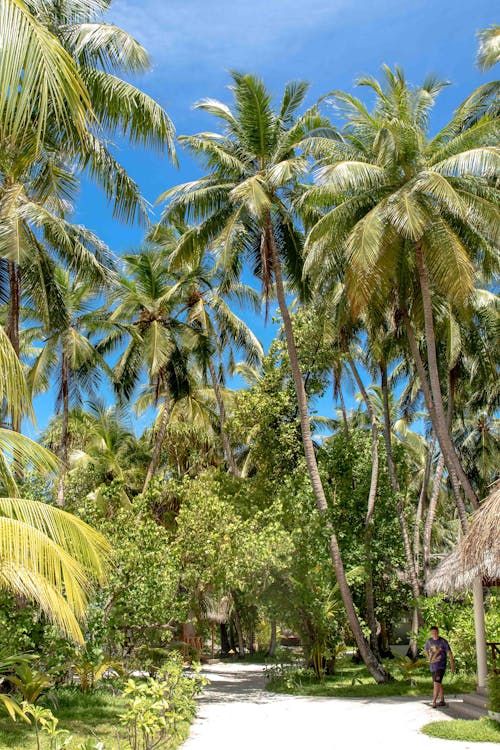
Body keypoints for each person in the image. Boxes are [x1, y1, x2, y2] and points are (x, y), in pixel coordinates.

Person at [425, 626, 455, 707]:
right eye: (432, 633)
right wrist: (429, 658)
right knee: (439, 683)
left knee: (436, 683)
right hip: (433, 666)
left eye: (435, 632)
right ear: (430, 633)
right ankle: (442, 700)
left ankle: (434, 701)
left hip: (441, 666)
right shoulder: (429, 641)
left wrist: (452, 665)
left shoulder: (443, 641)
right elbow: (426, 649)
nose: (434, 634)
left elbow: (449, 653)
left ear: (438, 632)